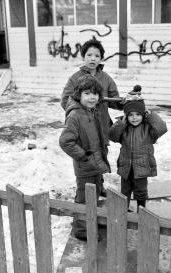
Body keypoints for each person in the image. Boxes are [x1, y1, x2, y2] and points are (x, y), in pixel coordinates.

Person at [61, 38, 123, 197]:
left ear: (101, 58)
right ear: (83, 57)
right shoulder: (75, 78)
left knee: (100, 155)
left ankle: (99, 186)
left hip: (101, 126)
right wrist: (80, 112)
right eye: (89, 55)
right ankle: (85, 195)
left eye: (97, 55)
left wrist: (125, 103)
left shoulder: (106, 78)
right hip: (84, 128)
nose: (93, 58)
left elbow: (113, 99)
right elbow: (65, 99)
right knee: (87, 161)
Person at [59, 74, 110, 241]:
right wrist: (83, 156)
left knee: (93, 196)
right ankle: (82, 230)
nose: (92, 97)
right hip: (86, 166)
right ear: (78, 95)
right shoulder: (75, 115)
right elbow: (66, 141)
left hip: (95, 163)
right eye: (87, 93)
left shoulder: (90, 111)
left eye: (95, 93)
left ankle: (91, 221)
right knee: (83, 198)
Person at [108, 93, 167, 211]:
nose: (134, 118)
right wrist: (121, 122)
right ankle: (123, 212)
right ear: (126, 116)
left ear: (143, 115)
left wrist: (149, 114)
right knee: (125, 192)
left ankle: (141, 210)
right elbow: (112, 136)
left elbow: (162, 128)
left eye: (138, 114)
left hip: (142, 167)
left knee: (141, 192)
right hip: (126, 167)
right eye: (130, 115)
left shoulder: (148, 129)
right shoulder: (124, 128)